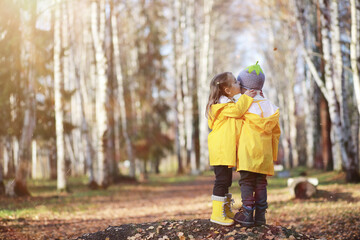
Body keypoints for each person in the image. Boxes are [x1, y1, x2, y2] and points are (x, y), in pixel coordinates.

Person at [233, 61, 281, 227]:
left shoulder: (243, 106)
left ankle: (247, 212)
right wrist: (273, 154)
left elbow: (236, 129)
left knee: (246, 182)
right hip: (264, 154)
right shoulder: (271, 107)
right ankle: (260, 216)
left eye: (240, 86)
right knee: (261, 183)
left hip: (247, 152)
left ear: (248, 89)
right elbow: (276, 133)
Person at [206, 72, 257, 226]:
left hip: (224, 150)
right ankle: (216, 214)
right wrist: (247, 97)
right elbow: (238, 111)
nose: (239, 84)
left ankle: (224, 209)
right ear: (227, 90)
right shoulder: (221, 106)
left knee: (226, 180)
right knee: (221, 181)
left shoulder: (226, 104)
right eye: (235, 82)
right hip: (220, 149)